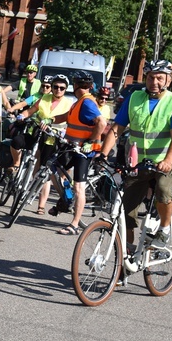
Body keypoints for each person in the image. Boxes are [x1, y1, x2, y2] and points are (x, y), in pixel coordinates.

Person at [98, 59, 172, 249]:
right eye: (151, 77)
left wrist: (169, 160)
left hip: (165, 161)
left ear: (168, 80)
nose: (154, 82)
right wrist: (103, 154)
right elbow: (117, 128)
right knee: (125, 212)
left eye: (160, 78)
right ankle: (125, 258)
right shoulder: (134, 98)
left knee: (163, 188)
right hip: (138, 163)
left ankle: (164, 229)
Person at [42, 70, 106, 233]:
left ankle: (74, 224)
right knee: (53, 168)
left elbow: (102, 123)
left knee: (79, 187)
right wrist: (51, 119)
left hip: (84, 151)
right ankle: (66, 198)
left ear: (76, 85)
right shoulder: (79, 102)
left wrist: (90, 141)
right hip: (71, 147)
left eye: (81, 85)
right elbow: (67, 117)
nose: (80, 87)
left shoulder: (87, 103)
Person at [13, 74, 73, 214]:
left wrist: (65, 133)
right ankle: (18, 170)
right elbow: (31, 110)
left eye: (61, 88)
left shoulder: (68, 104)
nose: (58, 90)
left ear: (65, 89)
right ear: (51, 88)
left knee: (46, 170)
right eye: (55, 87)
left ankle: (41, 205)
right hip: (37, 133)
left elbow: (70, 123)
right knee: (18, 143)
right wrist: (23, 115)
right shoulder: (44, 98)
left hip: (53, 139)